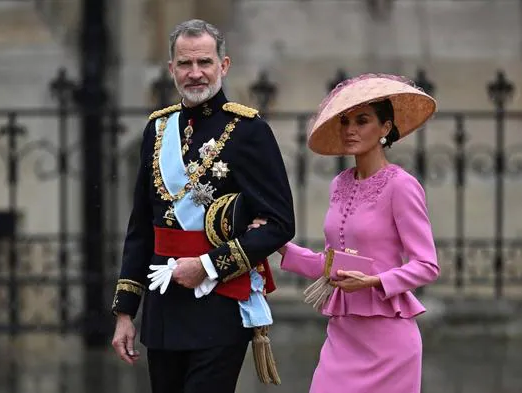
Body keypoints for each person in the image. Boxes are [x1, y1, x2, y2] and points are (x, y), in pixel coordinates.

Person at [110, 19, 295, 393]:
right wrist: (125, 311)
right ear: (171, 69)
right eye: (185, 64)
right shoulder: (157, 130)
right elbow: (141, 228)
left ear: (222, 66)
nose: (195, 74)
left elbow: (280, 223)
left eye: (205, 63)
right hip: (164, 309)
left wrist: (208, 265)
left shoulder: (248, 130)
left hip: (218, 305)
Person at [269, 73, 440, 393]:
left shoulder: (401, 186)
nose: (350, 129)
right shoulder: (340, 184)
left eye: (362, 121)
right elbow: (335, 263)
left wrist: (374, 281)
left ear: (385, 128)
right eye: (345, 121)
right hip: (343, 336)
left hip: (390, 342)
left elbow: (427, 264)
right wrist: (280, 246)